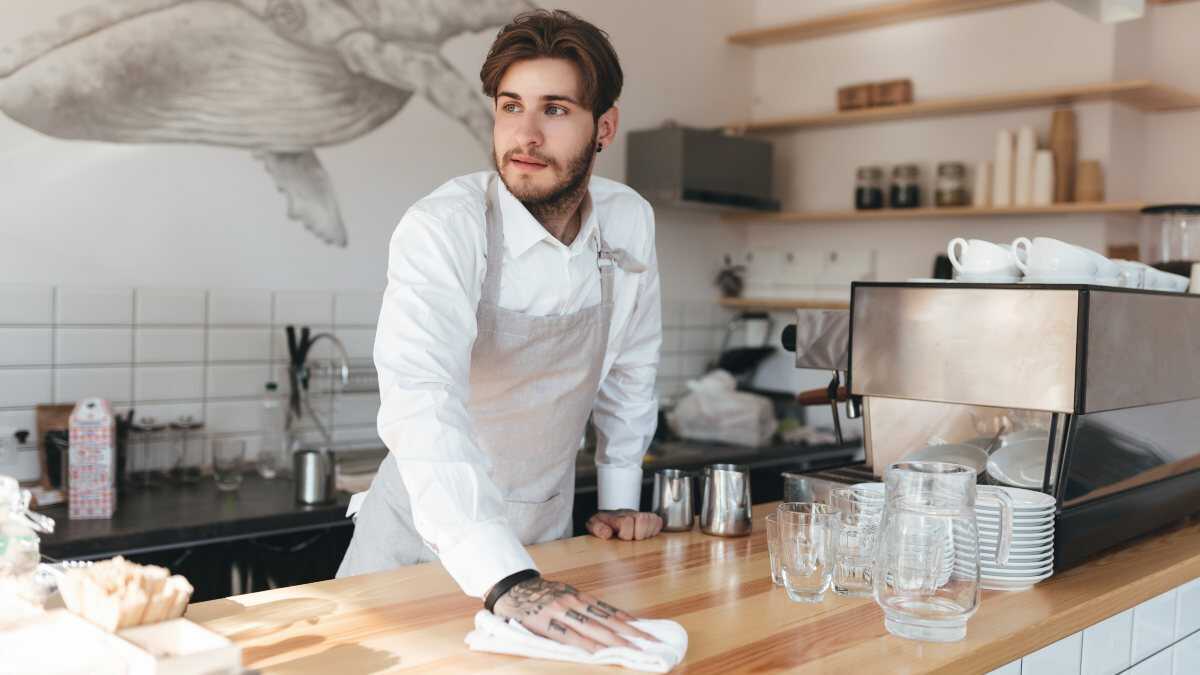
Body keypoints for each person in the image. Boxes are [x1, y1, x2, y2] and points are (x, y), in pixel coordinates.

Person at [338, 9, 663, 652]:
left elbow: (632, 367)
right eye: (511, 106)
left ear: (604, 128)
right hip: (417, 549)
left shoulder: (628, 221)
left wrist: (620, 500)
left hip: (547, 547)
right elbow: (421, 401)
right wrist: (503, 574)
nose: (526, 133)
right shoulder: (444, 227)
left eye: (556, 110)